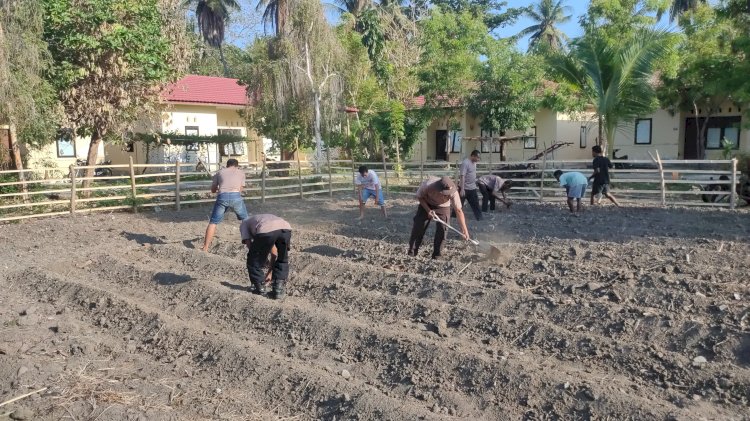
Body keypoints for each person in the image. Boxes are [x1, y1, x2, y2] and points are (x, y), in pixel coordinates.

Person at [408, 176, 472, 259]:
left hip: (443, 207)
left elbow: (458, 211)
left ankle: (437, 255)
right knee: (418, 226)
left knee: (443, 230)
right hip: (426, 203)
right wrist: (428, 210)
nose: (447, 195)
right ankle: (412, 252)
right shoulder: (428, 185)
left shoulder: (453, 192)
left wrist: (464, 231)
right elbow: (419, 197)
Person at [240, 214, 292, 300]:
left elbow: (250, 246)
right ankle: (278, 289)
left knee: (253, 259)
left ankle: (259, 287)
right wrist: (269, 270)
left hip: (266, 231)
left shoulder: (244, 224)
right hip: (286, 229)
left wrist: (261, 258)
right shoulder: (260, 220)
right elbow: (274, 252)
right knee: (283, 258)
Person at [202, 159, 248, 251]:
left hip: (222, 196)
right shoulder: (241, 173)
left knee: (213, 222)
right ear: (236, 166)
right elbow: (240, 189)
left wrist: (218, 187)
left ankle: (205, 247)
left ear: (227, 165)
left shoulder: (219, 173)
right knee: (245, 220)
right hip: (236, 196)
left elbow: (213, 190)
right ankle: (249, 245)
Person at [459, 150, 483, 220]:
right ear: (472, 156)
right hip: (464, 188)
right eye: (477, 158)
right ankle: (454, 217)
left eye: (479, 158)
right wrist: (462, 189)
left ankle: (479, 218)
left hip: (472, 188)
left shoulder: (474, 163)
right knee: (459, 205)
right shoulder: (465, 163)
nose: (478, 159)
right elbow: (462, 176)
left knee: (476, 204)